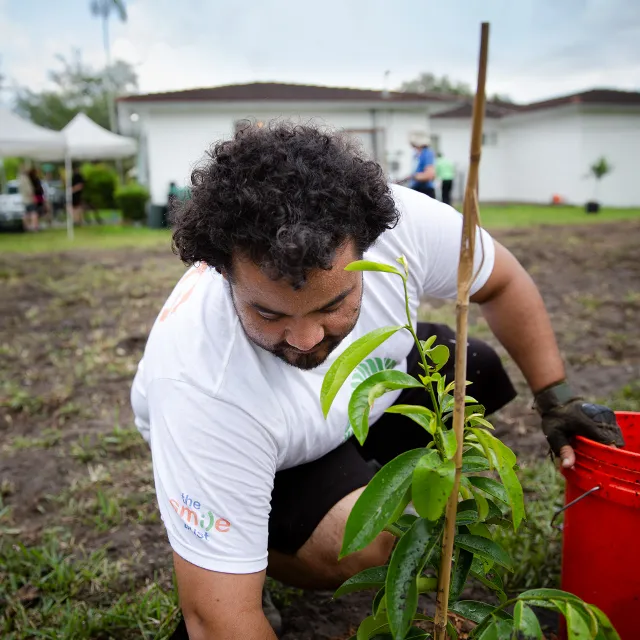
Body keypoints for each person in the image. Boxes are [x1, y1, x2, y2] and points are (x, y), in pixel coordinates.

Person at [130, 123, 623, 640]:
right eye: (268, 313)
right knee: (374, 544)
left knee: (473, 366)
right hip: (267, 453)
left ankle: (353, 483)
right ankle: (242, 548)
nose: (303, 339)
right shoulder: (201, 386)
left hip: (348, 401)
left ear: (370, 247)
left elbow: (502, 282)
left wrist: (556, 399)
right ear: (221, 269)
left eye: (331, 304)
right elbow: (216, 623)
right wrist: (228, 592)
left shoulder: (402, 224)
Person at [406, 130, 436, 198]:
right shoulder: (417, 154)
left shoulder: (427, 153)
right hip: (416, 189)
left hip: (425, 191)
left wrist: (414, 176)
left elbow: (429, 175)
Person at [18, 165, 37, 232]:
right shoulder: (26, 179)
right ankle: (33, 227)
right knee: (33, 212)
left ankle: (26, 227)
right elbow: (29, 190)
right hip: (29, 199)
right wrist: (33, 197)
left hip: (24, 199)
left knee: (26, 213)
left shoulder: (19, 179)